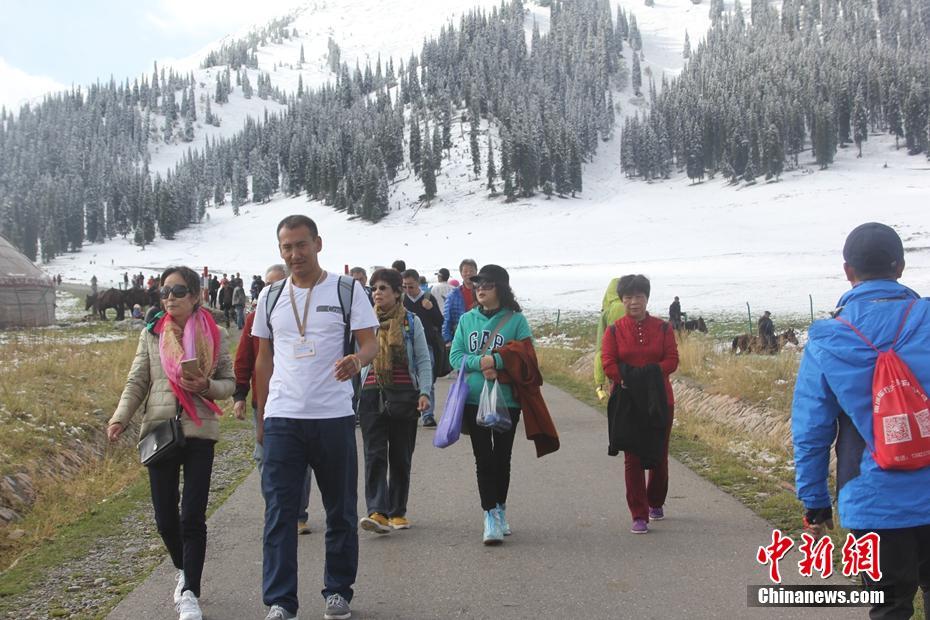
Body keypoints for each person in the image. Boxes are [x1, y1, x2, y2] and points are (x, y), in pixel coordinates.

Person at [793, 222, 930, 619]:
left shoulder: (829, 338)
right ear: (900, 267)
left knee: (888, 606)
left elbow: (811, 431)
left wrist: (816, 502)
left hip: (873, 498)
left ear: (847, 271)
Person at [253, 215, 378, 620]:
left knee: (340, 509)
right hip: (283, 418)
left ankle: (338, 591)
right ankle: (279, 601)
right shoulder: (270, 296)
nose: (294, 254)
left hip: (333, 415)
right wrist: (261, 418)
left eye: (301, 245)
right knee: (279, 513)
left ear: (318, 244)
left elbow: (370, 343)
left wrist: (357, 361)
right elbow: (263, 359)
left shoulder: (346, 290)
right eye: (286, 247)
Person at [107, 266, 235, 620]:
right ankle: (183, 569)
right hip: (160, 431)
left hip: (199, 432)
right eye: (164, 292)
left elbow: (230, 382)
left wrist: (207, 388)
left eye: (178, 291)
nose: (169, 298)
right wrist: (120, 416)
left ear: (195, 296)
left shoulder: (215, 333)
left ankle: (191, 592)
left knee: (192, 516)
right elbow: (138, 380)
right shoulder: (152, 333)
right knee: (165, 519)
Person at [449, 264, 534, 545]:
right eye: (477, 284)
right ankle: (490, 514)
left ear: (501, 287)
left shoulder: (516, 320)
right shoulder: (467, 320)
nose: (480, 289)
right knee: (483, 458)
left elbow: (528, 356)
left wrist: (497, 362)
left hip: (507, 399)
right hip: (474, 399)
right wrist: (481, 363)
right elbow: (456, 356)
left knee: (502, 458)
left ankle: (500, 507)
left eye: (487, 284)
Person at [233, 265, 315, 535]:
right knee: (263, 457)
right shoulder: (254, 319)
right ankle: (278, 508)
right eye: (267, 285)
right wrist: (239, 395)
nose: (272, 290)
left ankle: (297, 513)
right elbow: (244, 359)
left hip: (298, 400)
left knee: (299, 461)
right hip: (264, 400)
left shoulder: (304, 316)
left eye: (278, 284)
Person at [600, 274, 679, 535]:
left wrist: (649, 374)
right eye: (629, 297)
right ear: (622, 300)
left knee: (659, 453)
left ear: (647, 298)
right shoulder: (614, 330)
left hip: (660, 400)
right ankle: (638, 512)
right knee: (632, 456)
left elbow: (672, 360)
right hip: (627, 401)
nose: (634, 302)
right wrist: (628, 378)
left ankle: (655, 500)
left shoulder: (664, 328)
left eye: (639, 297)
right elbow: (608, 362)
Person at [357, 268, 432, 534]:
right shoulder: (364, 322)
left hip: (403, 396)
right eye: (374, 288)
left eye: (383, 288)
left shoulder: (411, 322)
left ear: (397, 292)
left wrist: (425, 393)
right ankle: (377, 512)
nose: (377, 293)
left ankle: (398, 511)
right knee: (374, 454)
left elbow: (423, 359)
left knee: (401, 455)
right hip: (371, 395)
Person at [402, 269, 444, 427]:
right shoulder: (401, 300)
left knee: (428, 377)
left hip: (426, 344)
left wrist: (431, 308)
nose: (408, 290)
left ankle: (428, 414)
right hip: (405, 345)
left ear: (418, 284)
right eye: (404, 286)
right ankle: (412, 410)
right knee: (408, 378)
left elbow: (440, 321)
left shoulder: (428, 297)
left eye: (411, 286)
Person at [594, 278, 626, 401]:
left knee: (617, 399)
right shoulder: (634, 308)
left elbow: (600, 348)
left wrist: (599, 381)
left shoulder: (607, 313)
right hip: (634, 363)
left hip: (613, 362)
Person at [442, 259, 479, 344]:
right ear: (461, 274)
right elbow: (447, 319)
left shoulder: (483, 292)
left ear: (476, 272)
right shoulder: (453, 295)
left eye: (471, 271)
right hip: (460, 336)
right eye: (465, 271)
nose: (468, 273)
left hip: (480, 335)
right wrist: (447, 340)